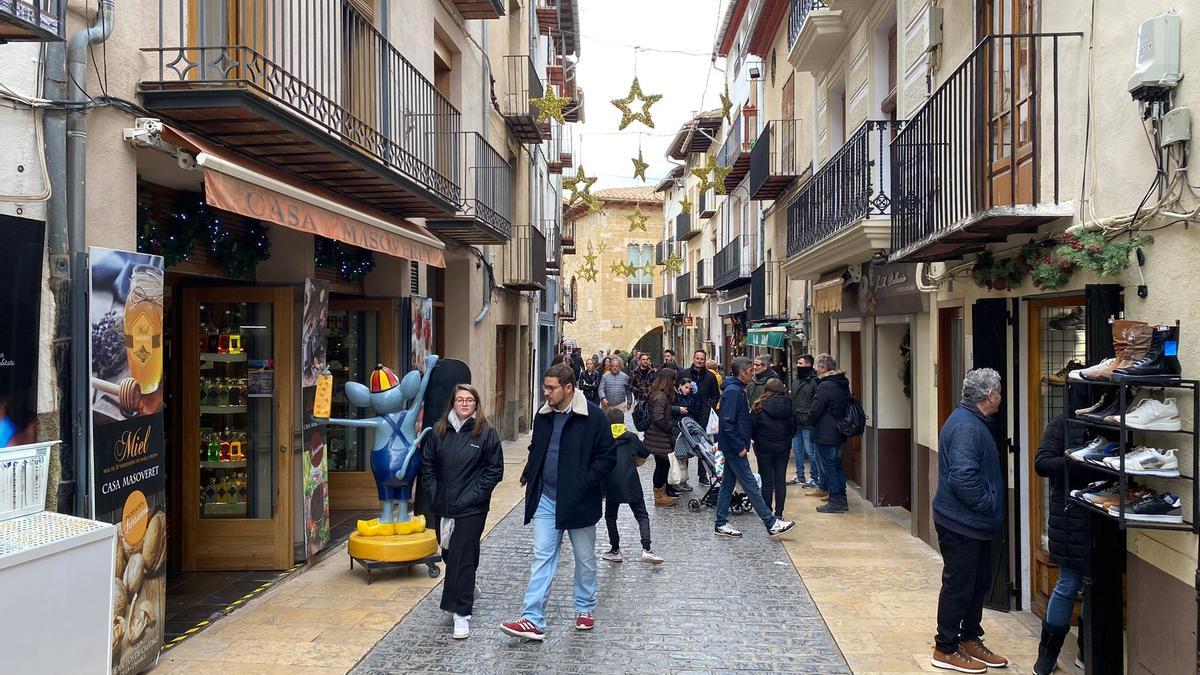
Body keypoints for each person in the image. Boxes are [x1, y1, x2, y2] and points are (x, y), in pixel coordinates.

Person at [500, 364, 617, 641]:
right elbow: (537, 447)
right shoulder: (543, 416)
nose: (546, 393)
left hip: (579, 500)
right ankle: (532, 618)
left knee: (585, 559)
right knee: (543, 556)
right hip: (546, 497)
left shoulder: (593, 417)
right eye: (545, 387)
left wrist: (584, 482)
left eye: (551, 388)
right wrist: (531, 471)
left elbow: (607, 456)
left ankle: (585, 608)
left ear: (568, 388)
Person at [930, 368, 1008, 673]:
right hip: (961, 522)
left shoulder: (972, 421)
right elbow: (963, 477)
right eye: (999, 391)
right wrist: (988, 505)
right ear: (990, 396)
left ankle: (969, 637)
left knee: (977, 584)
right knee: (959, 585)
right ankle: (945, 647)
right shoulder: (967, 427)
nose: (1001, 396)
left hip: (971, 522)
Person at [420, 384, 504, 640]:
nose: (465, 404)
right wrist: (434, 492)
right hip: (444, 504)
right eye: (460, 400)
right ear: (453, 403)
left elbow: (494, 471)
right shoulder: (438, 432)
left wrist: (472, 497)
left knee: (461, 556)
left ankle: (460, 612)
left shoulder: (486, 434)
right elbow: (427, 466)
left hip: (471, 508)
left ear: (476, 404)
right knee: (448, 551)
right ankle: (468, 586)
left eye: (469, 400)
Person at [1032, 380, 1101, 674]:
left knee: (1096, 584)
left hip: (1100, 514)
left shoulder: (1106, 423)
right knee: (1070, 583)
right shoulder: (1062, 424)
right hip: (1070, 516)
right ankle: (1046, 658)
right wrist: (1077, 464)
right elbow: (1042, 463)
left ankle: (1087, 652)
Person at [713, 357, 795, 539]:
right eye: (751, 371)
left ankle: (720, 522)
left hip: (733, 445)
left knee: (727, 484)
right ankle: (771, 522)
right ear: (742, 372)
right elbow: (728, 422)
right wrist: (739, 446)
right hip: (735, 447)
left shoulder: (737, 390)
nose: (753, 374)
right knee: (750, 485)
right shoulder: (735, 391)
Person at [600, 406, 665, 565]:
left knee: (610, 517)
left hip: (611, 484)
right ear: (623, 422)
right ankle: (647, 549)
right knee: (642, 515)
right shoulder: (632, 438)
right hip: (631, 483)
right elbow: (645, 452)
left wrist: (601, 490)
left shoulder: (603, 440)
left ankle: (615, 550)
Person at [807, 354, 850, 514]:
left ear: (824, 368)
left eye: (817, 367)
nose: (815, 370)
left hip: (826, 433)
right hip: (838, 431)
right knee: (838, 466)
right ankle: (842, 499)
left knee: (829, 468)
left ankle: (836, 502)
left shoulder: (825, 386)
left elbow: (816, 408)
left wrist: (809, 421)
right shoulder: (841, 383)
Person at [750, 378, 795, 519]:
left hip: (764, 447)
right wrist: (786, 440)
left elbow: (752, 427)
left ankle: (767, 512)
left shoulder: (759, 406)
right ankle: (779, 513)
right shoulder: (789, 406)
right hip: (783, 447)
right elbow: (793, 427)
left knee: (767, 481)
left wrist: (757, 440)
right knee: (780, 480)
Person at [645, 368, 685, 506]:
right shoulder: (661, 396)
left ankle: (662, 494)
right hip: (659, 436)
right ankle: (659, 496)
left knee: (662, 465)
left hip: (657, 436)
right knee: (662, 465)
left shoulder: (658, 394)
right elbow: (658, 418)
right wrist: (669, 427)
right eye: (673, 380)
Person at [788, 354, 821, 488]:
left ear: (808, 364)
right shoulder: (796, 380)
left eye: (800, 363)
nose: (797, 365)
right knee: (797, 450)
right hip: (795, 420)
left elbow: (816, 401)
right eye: (797, 363)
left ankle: (814, 477)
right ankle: (800, 475)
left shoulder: (814, 381)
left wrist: (810, 416)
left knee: (810, 450)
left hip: (807, 421)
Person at [672, 377, 703, 492]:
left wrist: (696, 395)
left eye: (690, 388)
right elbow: (670, 408)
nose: (688, 390)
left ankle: (684, 480)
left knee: (685, 455)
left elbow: (697, 408)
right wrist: (678, 409)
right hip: (678, 427)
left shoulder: (691, 396)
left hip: (687, 428)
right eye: (686, 387)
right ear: (680, 386)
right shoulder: (676, 396)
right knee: (678, 455)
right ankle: (677, 480)